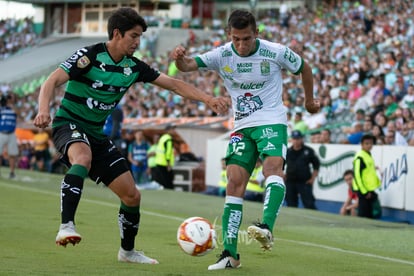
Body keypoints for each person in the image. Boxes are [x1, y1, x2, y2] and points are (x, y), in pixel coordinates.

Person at [33, 7, 227, 265]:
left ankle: (127, 252)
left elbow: (174, 84)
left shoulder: (133, 67)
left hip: (95, 134)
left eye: (140, 37)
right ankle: (67, 225)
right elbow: (51, 81)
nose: (138, 42)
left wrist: (208, 98)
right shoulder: (89, 56)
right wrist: (43, 109)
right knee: (82, 158)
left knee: (132, 195)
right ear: (117, 33)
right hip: (68, 124)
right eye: (133, 36)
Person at [171, 9, 320, 270]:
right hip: (242, 126)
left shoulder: (275, 51)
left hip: (271, 120)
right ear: (229, 35)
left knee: (273, 169)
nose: (241, 44)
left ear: (257, 33)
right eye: (237, 39)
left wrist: (309, 100)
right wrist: (179, 58)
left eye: (247, 39)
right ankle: (230, 254)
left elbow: (304, 68)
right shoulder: (221, 54)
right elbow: (187, 67)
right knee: (234, 182)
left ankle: (266, 226)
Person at [285, 130, 320, 210]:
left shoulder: (308, 151)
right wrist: (283, 175)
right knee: (290, 204)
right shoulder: (288, 151)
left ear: (301, 139)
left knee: (309, 204)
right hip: (290, 181)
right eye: (294, 139)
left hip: (304, 181)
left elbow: (316, 165)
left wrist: (313, 178)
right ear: (292, 139)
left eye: (298, 138)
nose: (296, 141)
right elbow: (282, 164)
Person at [352, 133, 381, 219]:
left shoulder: (368, 154)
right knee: (363, 213)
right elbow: (357, 175)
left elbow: (366, 171)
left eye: (371, 143)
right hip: (363, 189)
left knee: (369, 214)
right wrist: (364, 191)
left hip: (369, 188)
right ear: (361, 144)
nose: (369, 145)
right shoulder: (360, 157)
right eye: (367, 143)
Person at [152, 125, 176, 190]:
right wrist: (168, 164)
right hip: (164, 163)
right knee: (168, 182)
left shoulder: (163, 138)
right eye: (172, 129)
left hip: (159, 162)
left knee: (163, 182)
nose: (174, 131)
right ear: (168, 130)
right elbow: (168, 152)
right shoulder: (168, 139)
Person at [0, 94, 18, 178]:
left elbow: (18, 113)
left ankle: (12, 172)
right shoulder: (2, 108)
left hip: (11, 133)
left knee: (12, 154)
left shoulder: (14, 108)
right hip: (2, 132)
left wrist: (11, 105)